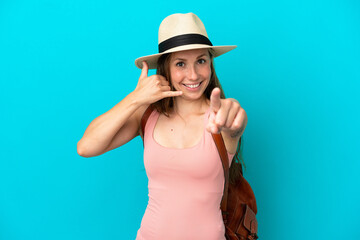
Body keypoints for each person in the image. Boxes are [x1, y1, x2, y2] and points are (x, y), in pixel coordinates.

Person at [77, 13, 248, 240]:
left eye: (201, 61)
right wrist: (135, 98)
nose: (193, 74)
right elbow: (86, 147)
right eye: (180, 64)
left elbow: (235, 122)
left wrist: (235, 120)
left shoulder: (220, 116)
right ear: (165, 68)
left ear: (210, 63)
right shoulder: (147, 115)